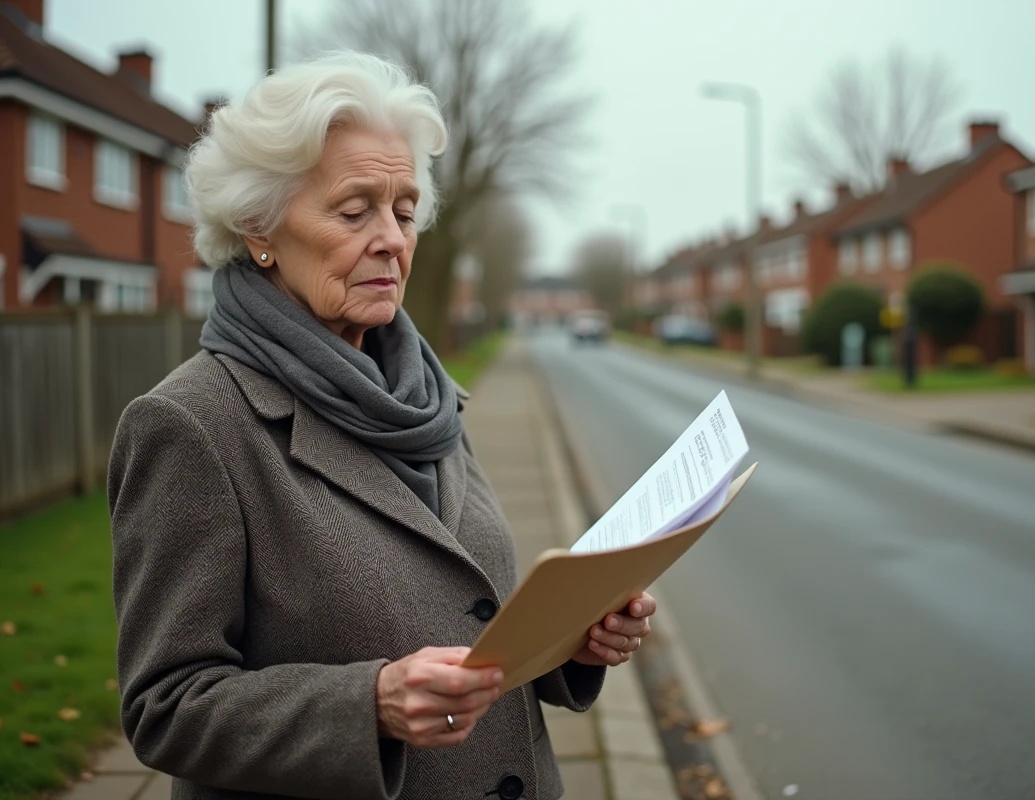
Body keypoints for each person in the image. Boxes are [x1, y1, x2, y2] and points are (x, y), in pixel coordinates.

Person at [107, 51, 655, 800]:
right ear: (259, 228)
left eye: (403, 210)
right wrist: (369, 706)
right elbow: (165, 707)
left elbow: (463, 610)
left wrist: (572, 642)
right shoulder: (190, 425)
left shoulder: (423, 394)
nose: (392, 240)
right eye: (353, 209)